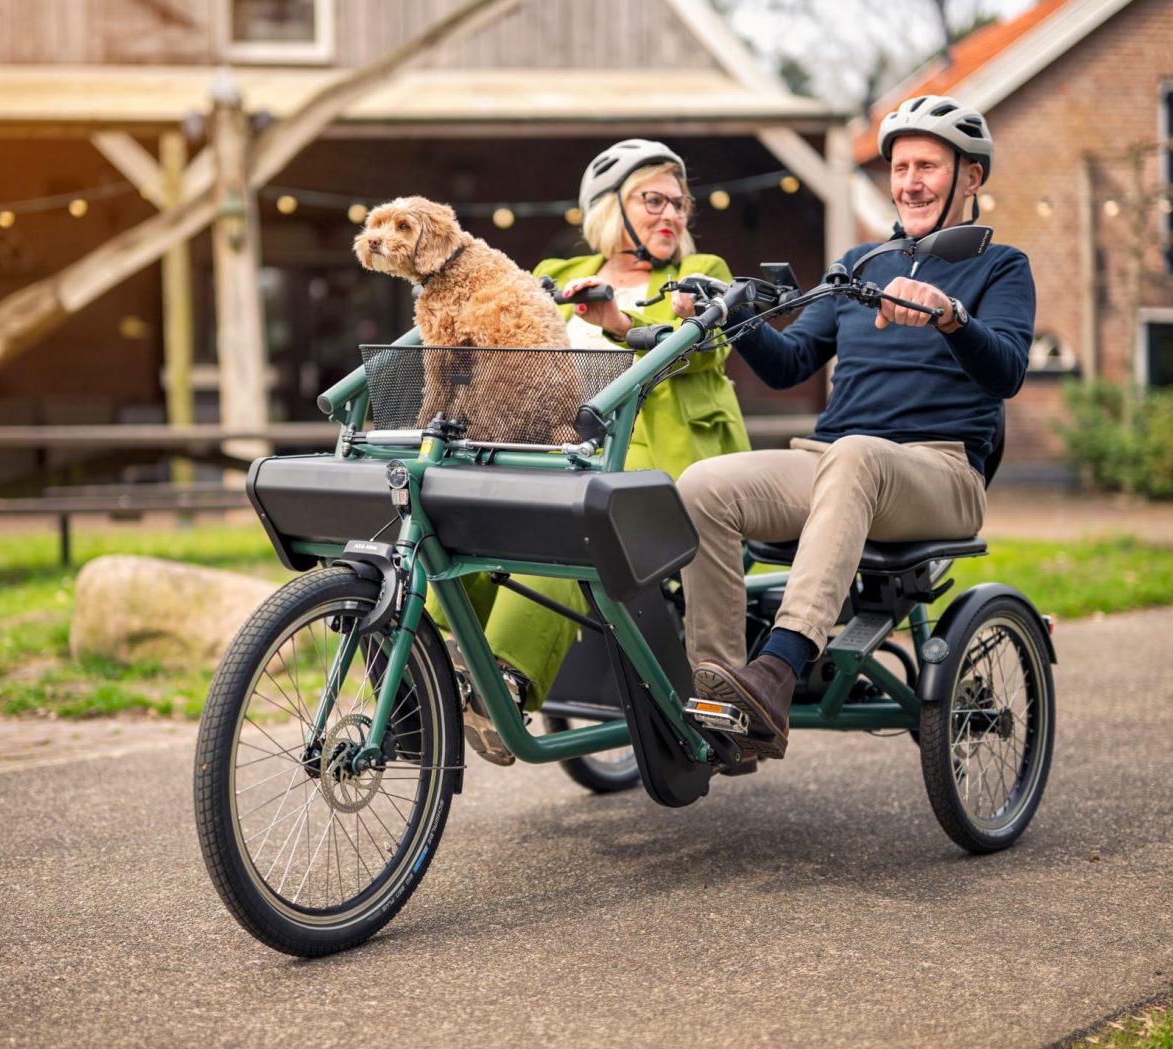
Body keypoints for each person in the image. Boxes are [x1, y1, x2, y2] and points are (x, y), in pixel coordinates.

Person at [678, 95, 1036, 763]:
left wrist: (950, 316)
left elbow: (1009, 370)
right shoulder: (861, 265)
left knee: (856, 456)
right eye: (901, 167)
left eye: (928, 165)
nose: (910, 182)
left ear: (972, 178)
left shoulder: (1001, 266)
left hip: (942, 470)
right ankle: (727, 698)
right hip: (837, 461)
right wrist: (725, 318)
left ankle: (778, 670)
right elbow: (789, 364)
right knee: (703, 485)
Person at [442, 139, 750, 764]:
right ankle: (433, 649)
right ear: (611, 208)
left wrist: (615, 322)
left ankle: (503, 683)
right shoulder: (555, 273)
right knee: (468, 514)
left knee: (565, 527)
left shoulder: (700, 273)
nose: (672, 215)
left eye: (680, 203)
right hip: (561, 455)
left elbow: (712, 346)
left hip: (665, 468)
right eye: (653, 200)